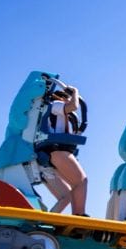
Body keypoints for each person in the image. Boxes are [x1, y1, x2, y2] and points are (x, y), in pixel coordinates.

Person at [42, 86, 88, 215]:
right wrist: (75, 92)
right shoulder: (56, 104)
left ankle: (49, 221)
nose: (70, 100)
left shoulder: (62, 113)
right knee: (81, 181)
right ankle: (79, 217)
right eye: (67, 98)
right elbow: (73, 106)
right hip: (58, 150)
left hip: (57, 152)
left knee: (68, 194)